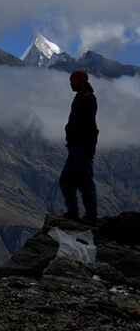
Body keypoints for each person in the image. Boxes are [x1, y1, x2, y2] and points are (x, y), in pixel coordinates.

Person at [59, 70, 99, 221]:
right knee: (66, 181)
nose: (71, 83)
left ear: (81, 81)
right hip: (74, 147)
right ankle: (73, 211)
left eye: (73, 80)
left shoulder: (88, 100)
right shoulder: (79, 98)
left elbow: (91, 126)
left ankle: (91, 215)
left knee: (85, 182)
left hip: (82, 148)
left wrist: (90, 149)